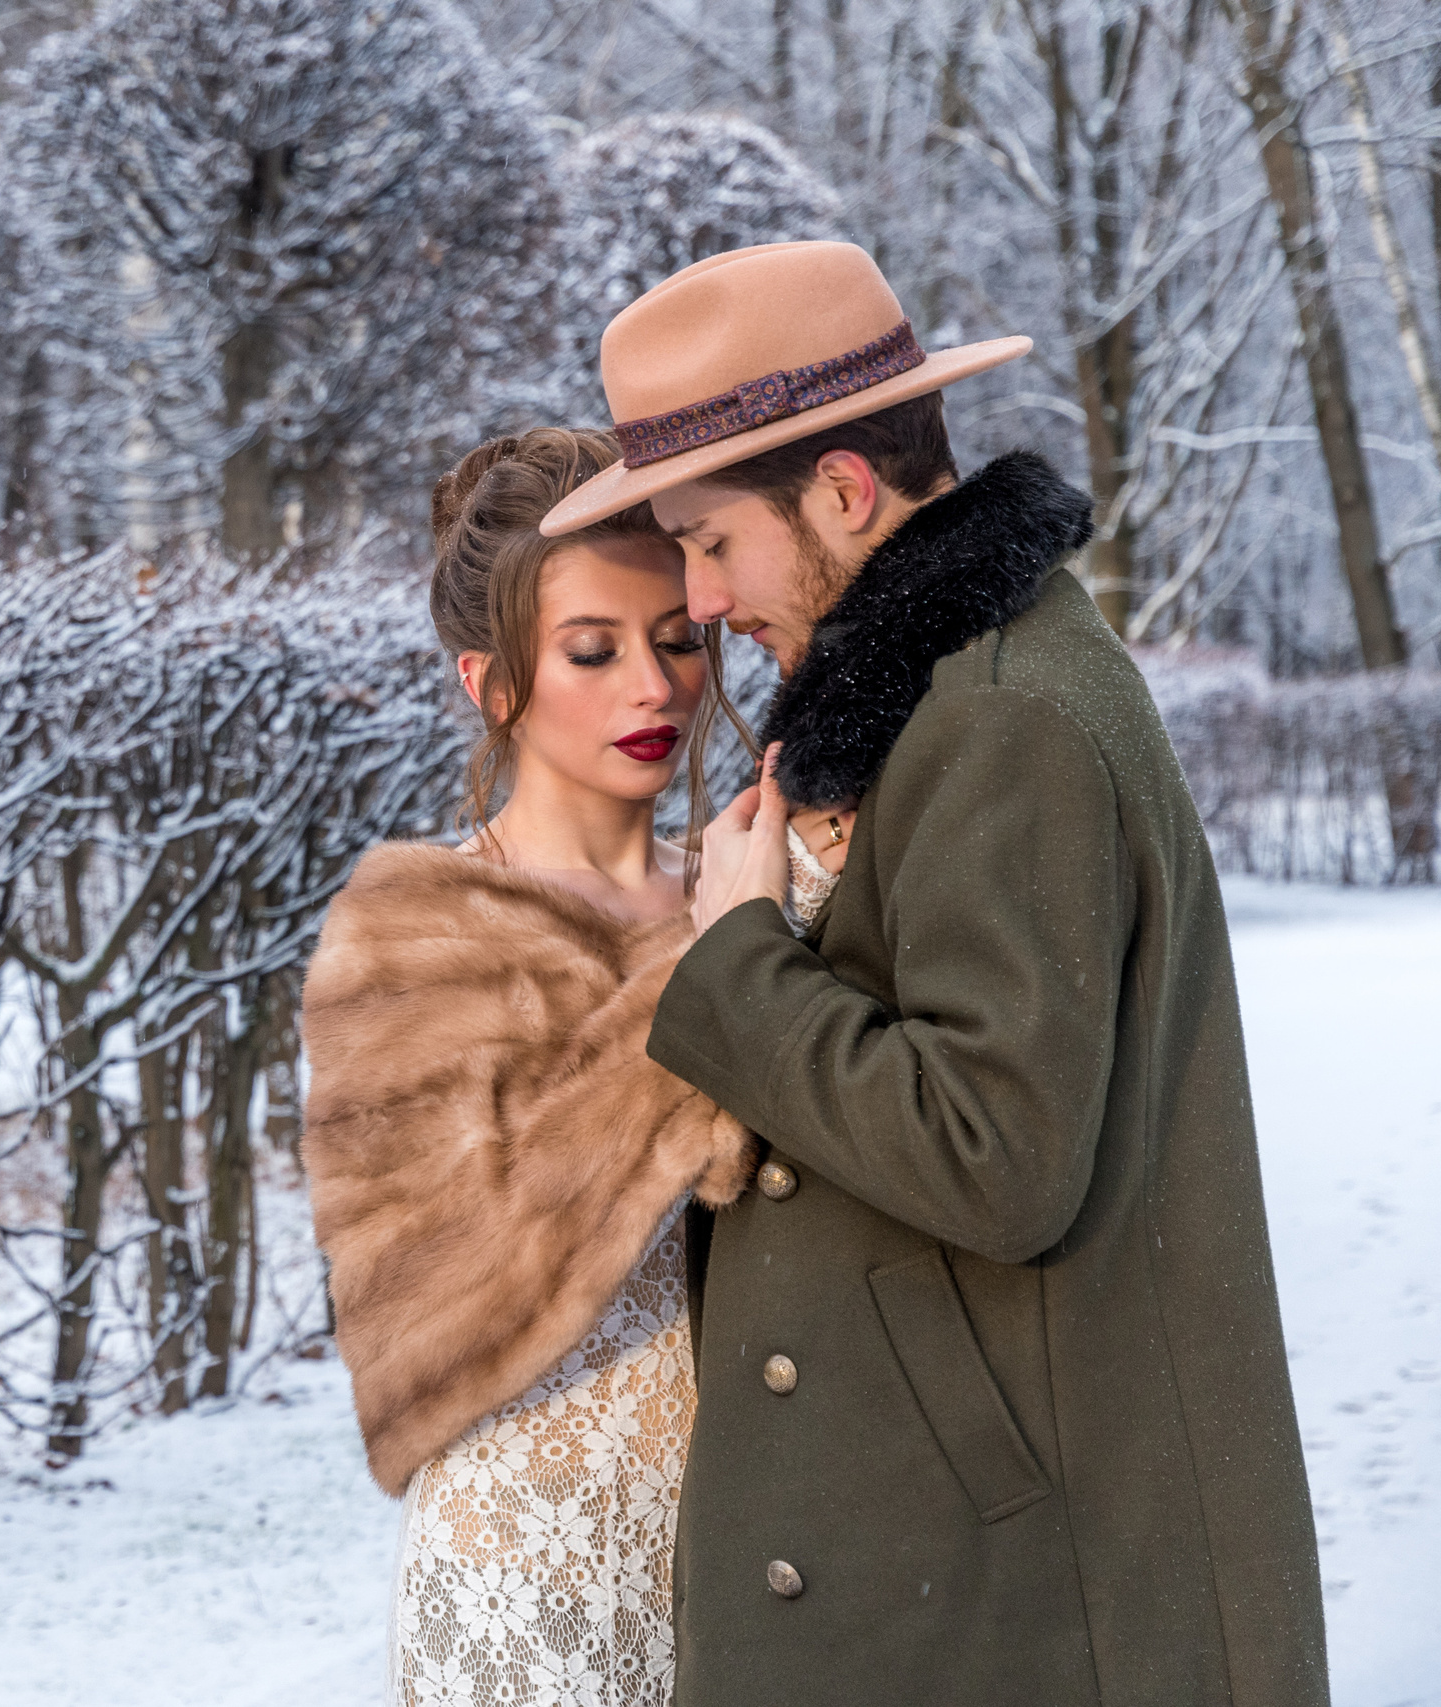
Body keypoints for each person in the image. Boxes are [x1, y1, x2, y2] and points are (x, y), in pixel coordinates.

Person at [537, 240, 1329, 1706]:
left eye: (709, 541)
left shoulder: (1001, 717)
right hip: (985, 1557)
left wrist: (739, 961)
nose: (698, 596)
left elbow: (996, 1154)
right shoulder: (957, 690)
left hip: (1030, 1596)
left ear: (844, 491)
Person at [300, 427, 841, 1706]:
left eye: (677, 639)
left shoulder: (746, 885)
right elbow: (439, 1289)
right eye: (591, 651)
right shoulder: (409, 929)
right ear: (491, 683)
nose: (652, 687)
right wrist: (723, 965)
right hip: (526, 1583)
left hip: (757, 1554)